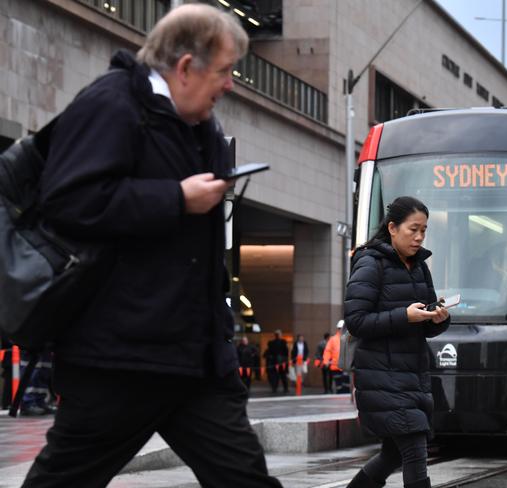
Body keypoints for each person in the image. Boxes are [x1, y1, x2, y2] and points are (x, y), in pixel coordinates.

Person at [21, 5, 282, 488]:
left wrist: (219, 337)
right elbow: (68, 200)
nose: (229, 85)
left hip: (195, 360)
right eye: (224, 71)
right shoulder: (110, 103)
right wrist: (176, 198)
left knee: (245, 479)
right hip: (118, 359)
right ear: (186, 67)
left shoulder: (200, 126)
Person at [344, 196, 450, 488]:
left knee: (392, 455)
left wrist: (438, 318)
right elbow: (356, 321)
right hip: (383, 378)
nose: (419, 237)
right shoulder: (370, 262)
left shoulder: (418, 266)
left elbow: (423, 323)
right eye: (413, 229)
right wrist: (404, 316)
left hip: (413, 377)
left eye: (424, 230)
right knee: (416, 454)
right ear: (392, 227)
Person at [323, 320, 349, 393]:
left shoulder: (348, 338)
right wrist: (326, 361)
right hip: (335, 367)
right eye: (341, 328)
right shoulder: (333, 339)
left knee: (346, 386)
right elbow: (327, 351)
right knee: (339, 387)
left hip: (346, 367)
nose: (343, 330)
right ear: (338, 329)